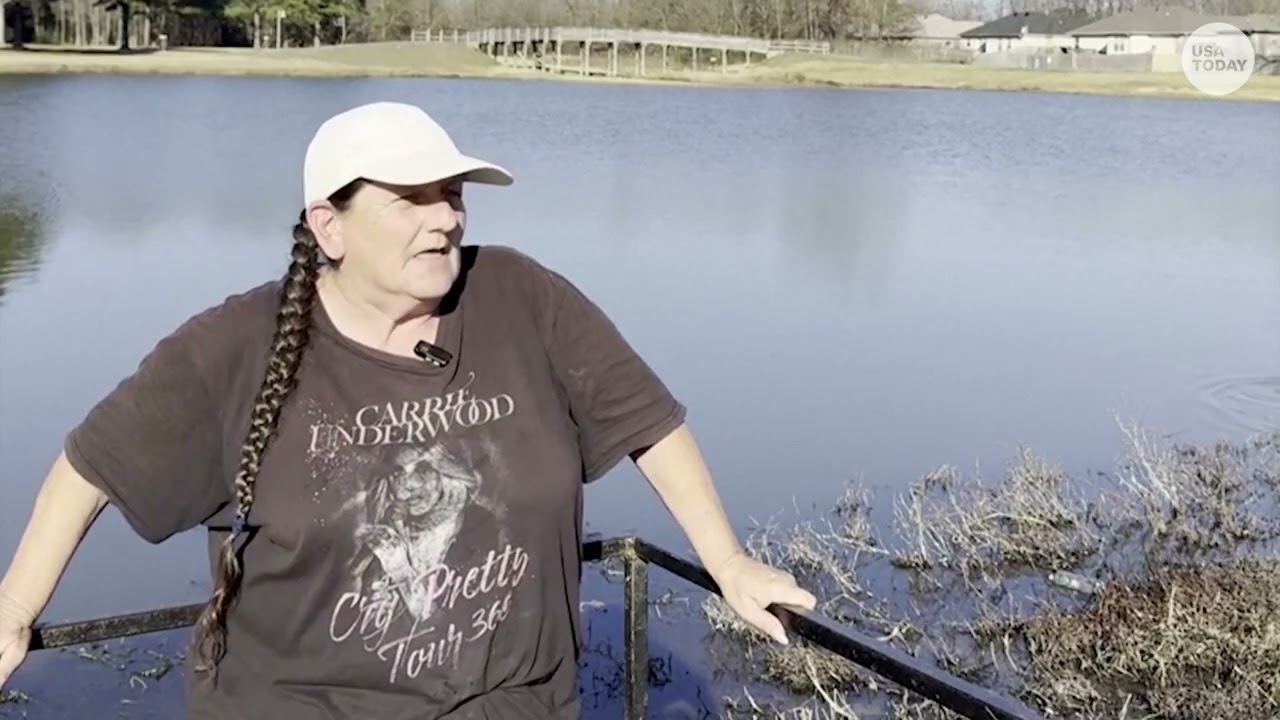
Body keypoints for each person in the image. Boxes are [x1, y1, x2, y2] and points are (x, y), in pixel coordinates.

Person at [0, 101, 816, 719]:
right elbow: (90, 466)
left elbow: (649, 421)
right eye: (411, 199)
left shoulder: (519, 296)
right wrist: (13, 609)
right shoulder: (235, 347)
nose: (447, 217)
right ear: (330, 226)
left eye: (454, 194)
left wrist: (729, 560)